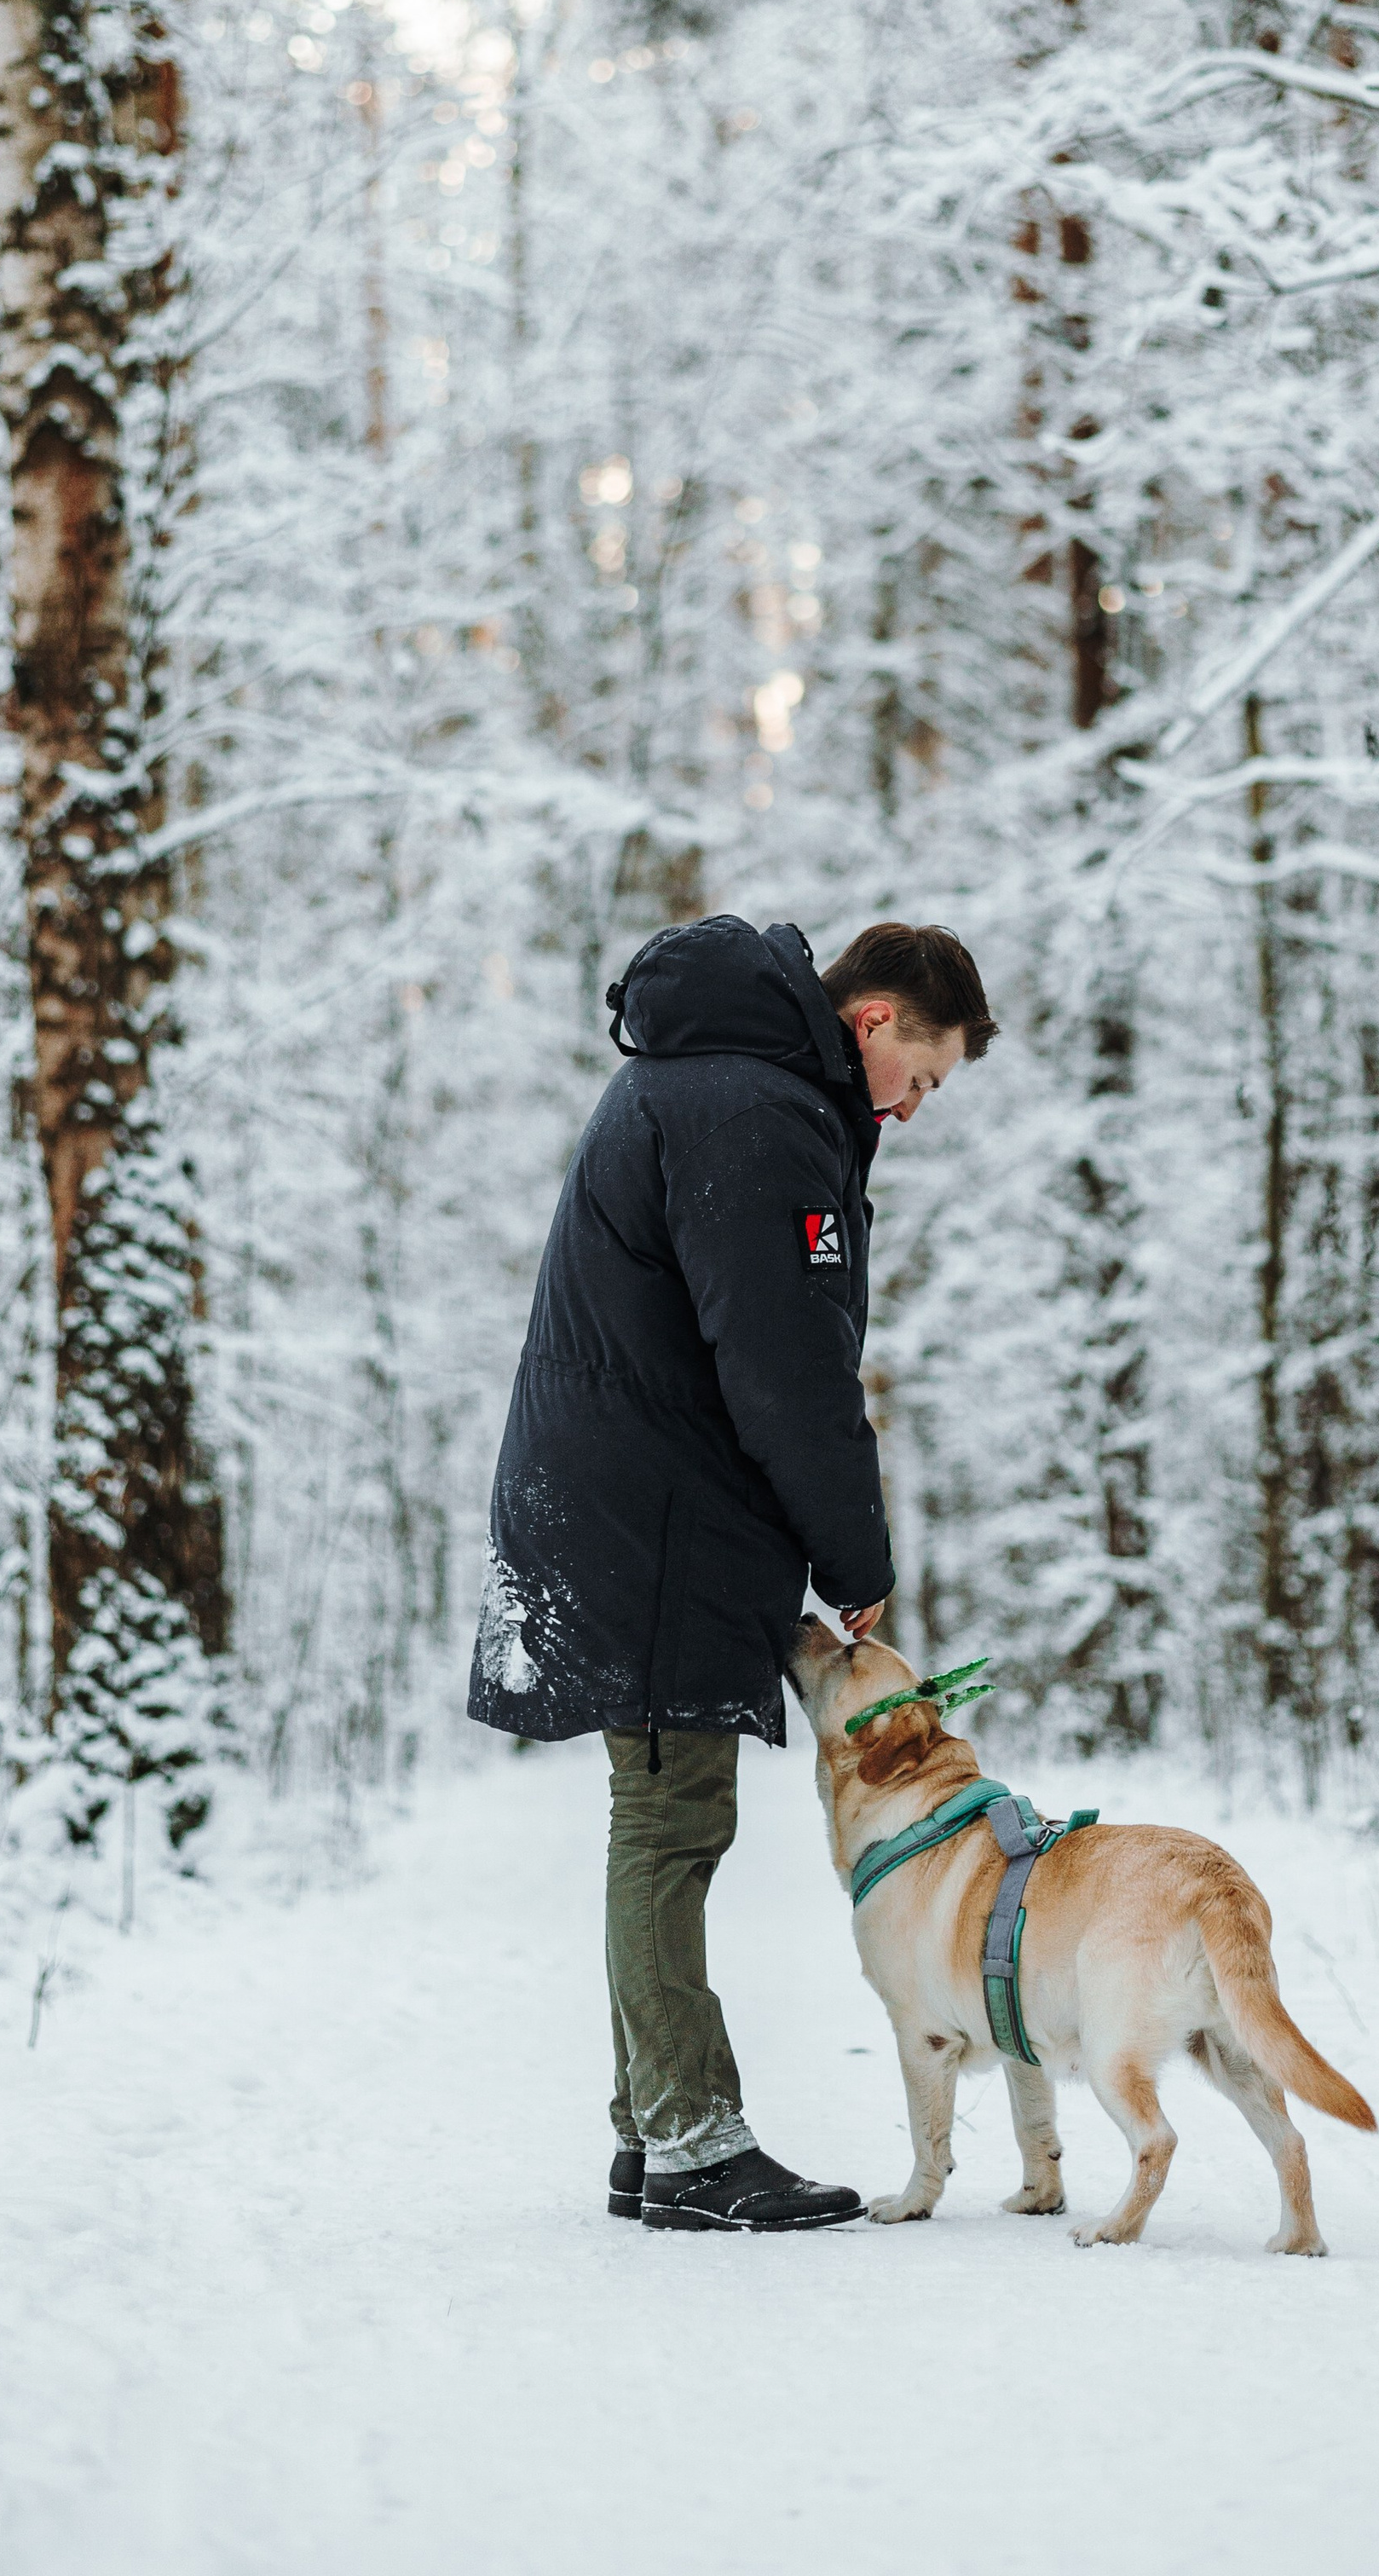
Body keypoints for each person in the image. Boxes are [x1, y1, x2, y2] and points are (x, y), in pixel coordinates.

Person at [469, 913, 997, 2232]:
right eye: (921, 1076)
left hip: (634, 1496)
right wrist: (852, 1552)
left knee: (663, 1814)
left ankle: (655, 2129)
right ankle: (694, 2146)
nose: (915, 1109)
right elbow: (785, 1367)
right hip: (648, 1510)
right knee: (669, 1818)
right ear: (872, 1022)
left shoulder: (715, 1081)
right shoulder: (757, 1111)